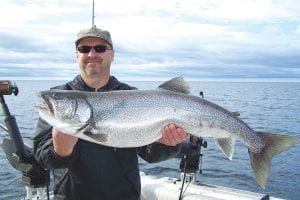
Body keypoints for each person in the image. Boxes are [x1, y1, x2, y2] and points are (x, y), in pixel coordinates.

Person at [33, 25, 188, 200]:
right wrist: (60, 151)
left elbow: (150, 154)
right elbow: (41, 157)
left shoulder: (133, 97)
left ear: (112, 54)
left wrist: (168, 143)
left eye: (99, 48)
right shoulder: (58, 100)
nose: (92, 54)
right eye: (84, 49)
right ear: (77, 55)